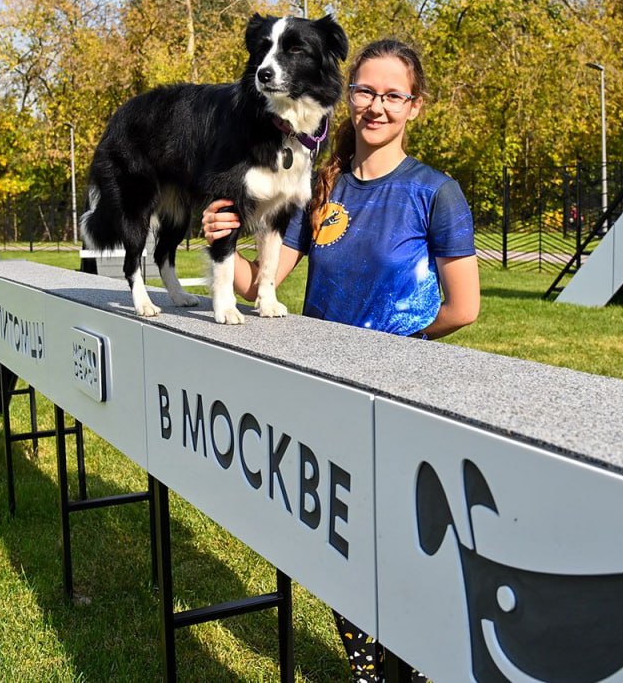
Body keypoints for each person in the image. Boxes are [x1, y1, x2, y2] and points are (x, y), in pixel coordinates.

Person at [202, 37, 479, 682]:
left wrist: (390, 341)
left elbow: (463, 308)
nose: (376, 106)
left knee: (409, 554)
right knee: (344, 549)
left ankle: (415, 668)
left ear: (415, 106)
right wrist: (227, 241)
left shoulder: (435, 193)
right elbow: (266, 282)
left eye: (392, 96)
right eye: (365, 91)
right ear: (345, 94)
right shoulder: (317, 181)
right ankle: (367, 672)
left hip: (403, 394)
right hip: (328, 398)